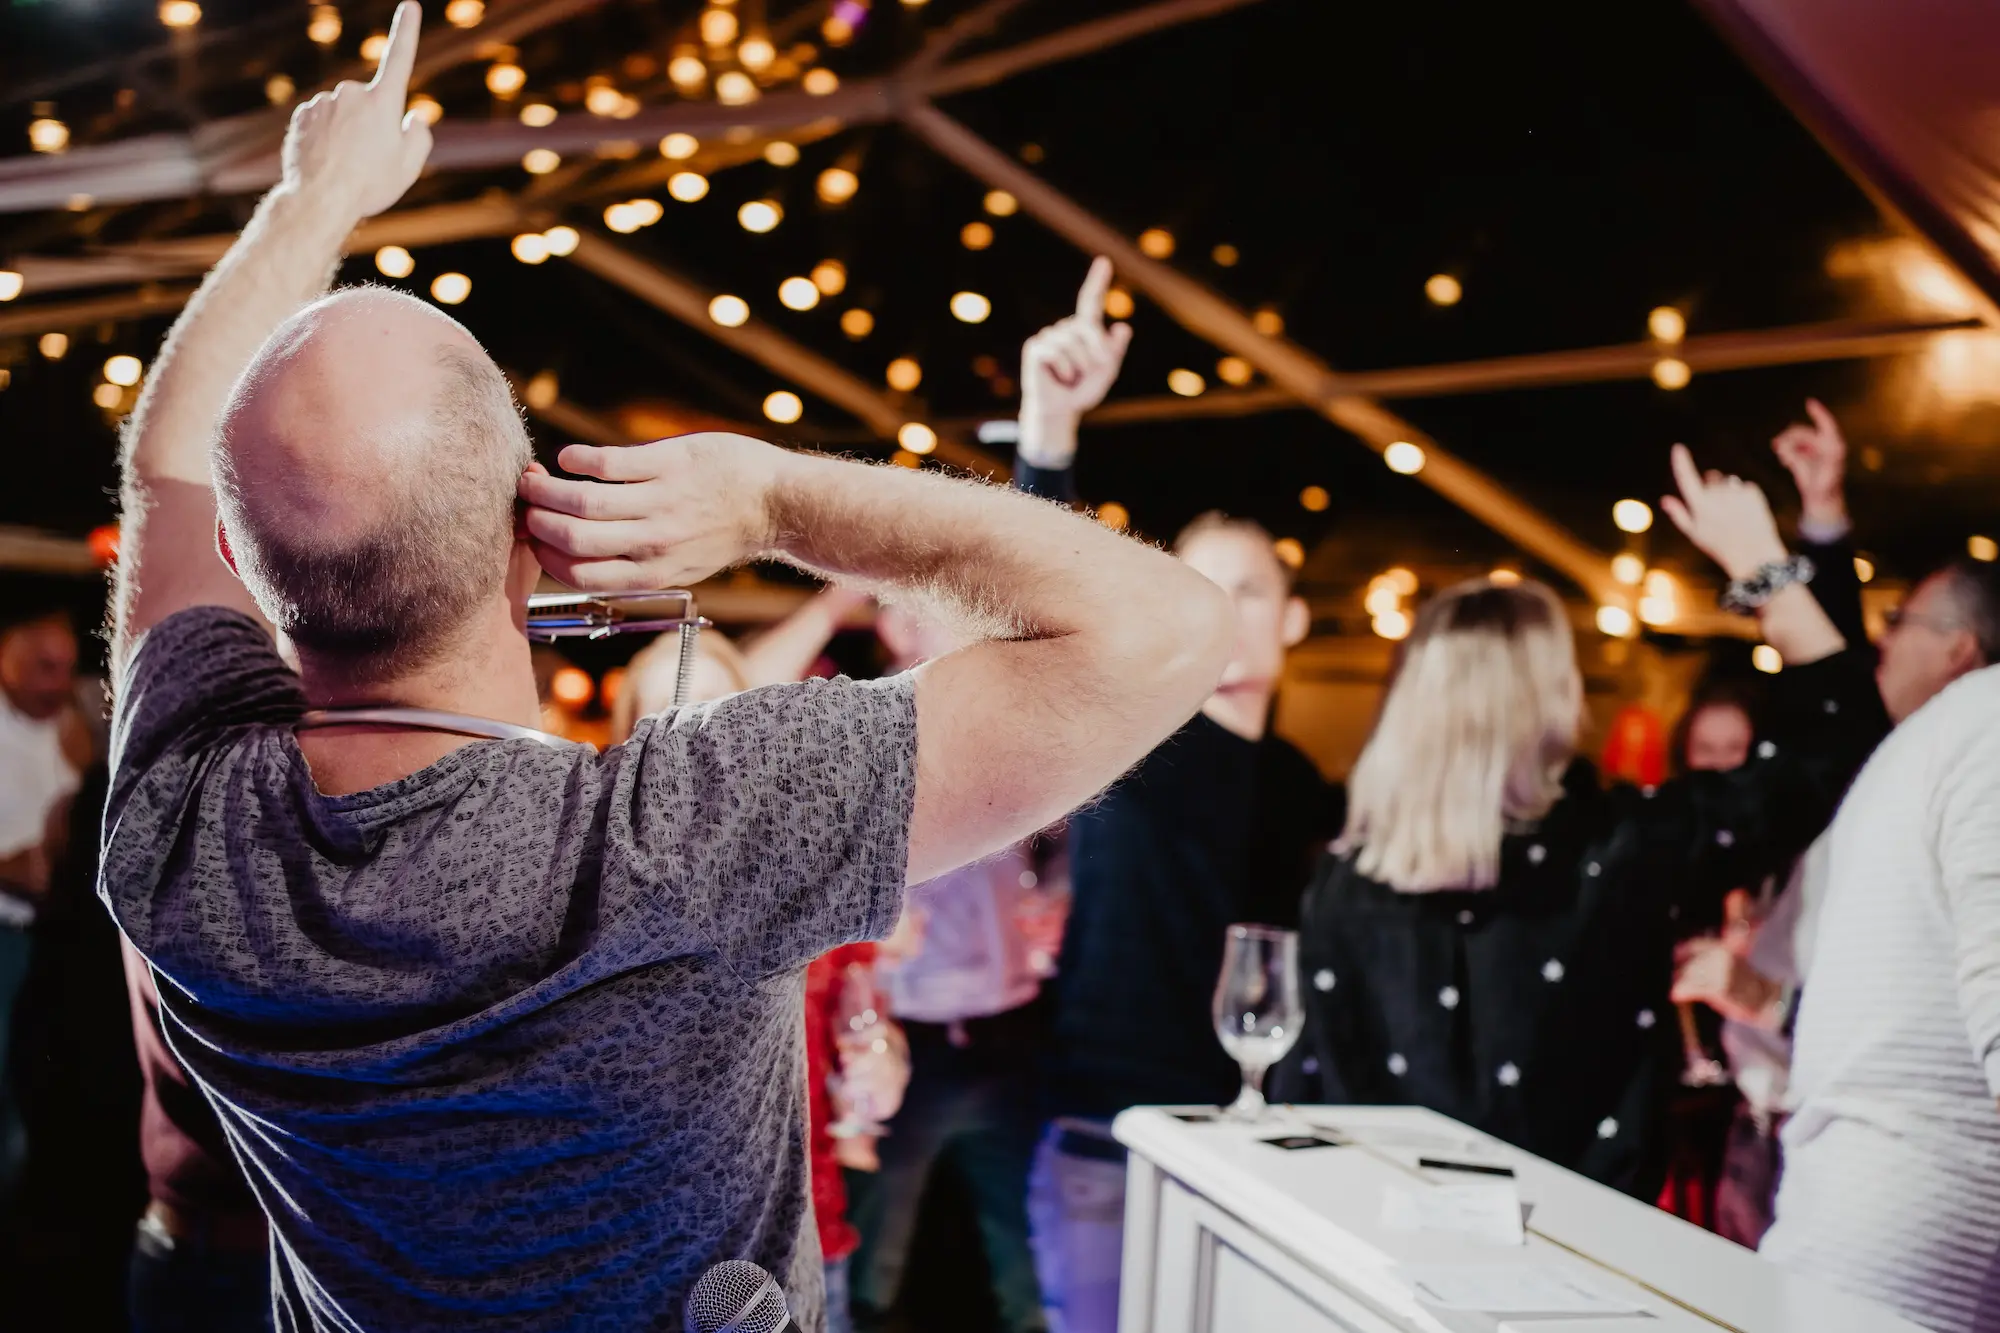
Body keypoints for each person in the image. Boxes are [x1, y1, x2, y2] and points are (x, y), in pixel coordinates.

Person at [99, 12, 1235, 1331]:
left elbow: (165, 463)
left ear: (243, 558)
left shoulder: (178, 824)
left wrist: (313, 202)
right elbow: (1164, 629)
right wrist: (776, 499)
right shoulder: (676, 839)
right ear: (533, 536)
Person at [1285, 446, 1884, 1198]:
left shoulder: (1342, 881)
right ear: (1552, 702)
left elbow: (1299, 1096)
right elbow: (1841, 742)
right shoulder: (1620, 847)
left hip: (1367, 1260)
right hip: (1581, 1269)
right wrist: (1763, 564)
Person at [1009, 261, 1343, 1333]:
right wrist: (1047, 433)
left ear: (1291, 620)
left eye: (1246, 590)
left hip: (1261, 1143)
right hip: (1113, 1132)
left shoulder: (1308, 790)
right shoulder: (1135, 727)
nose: (1222, 613)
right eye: (1198, 588)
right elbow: (1039, 606)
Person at [1752, 550, 2000, 1333]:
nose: (1882, 640)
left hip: (1869, 1241)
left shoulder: (1947, 737)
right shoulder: (1984, 734)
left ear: (1962, 645)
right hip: (1922, 1269)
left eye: (1900, 621)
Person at [847, 605, 1066, 1333]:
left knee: (1026, 1247)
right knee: (879, 1248)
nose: (987, 628)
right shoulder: (860, 737)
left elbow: (1057, 857)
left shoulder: (1013, 735)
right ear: (900, 628)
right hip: (908, 1038)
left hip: (1011, 1029)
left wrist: (1056, 895)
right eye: (957, 610)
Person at [0, 606, 85, 1198]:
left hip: (67, 939)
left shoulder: (75, 723)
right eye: (43, 668)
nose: (57, 682)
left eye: (66, 668)